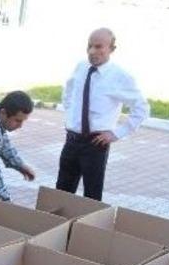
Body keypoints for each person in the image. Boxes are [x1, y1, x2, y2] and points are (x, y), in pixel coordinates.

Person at [56, 28, 149, 201]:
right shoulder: (81, 67)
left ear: (112, 49)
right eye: (89, 46)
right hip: (72, 140)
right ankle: (59, 226)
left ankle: (87, 228)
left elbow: (142, 108)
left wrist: (116, 133)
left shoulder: (119, 77)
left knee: (91, 195)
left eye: (99, 47)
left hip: (95, 143)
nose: (92, 51)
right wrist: (70, 117)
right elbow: (68, 91)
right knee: (61, 191)